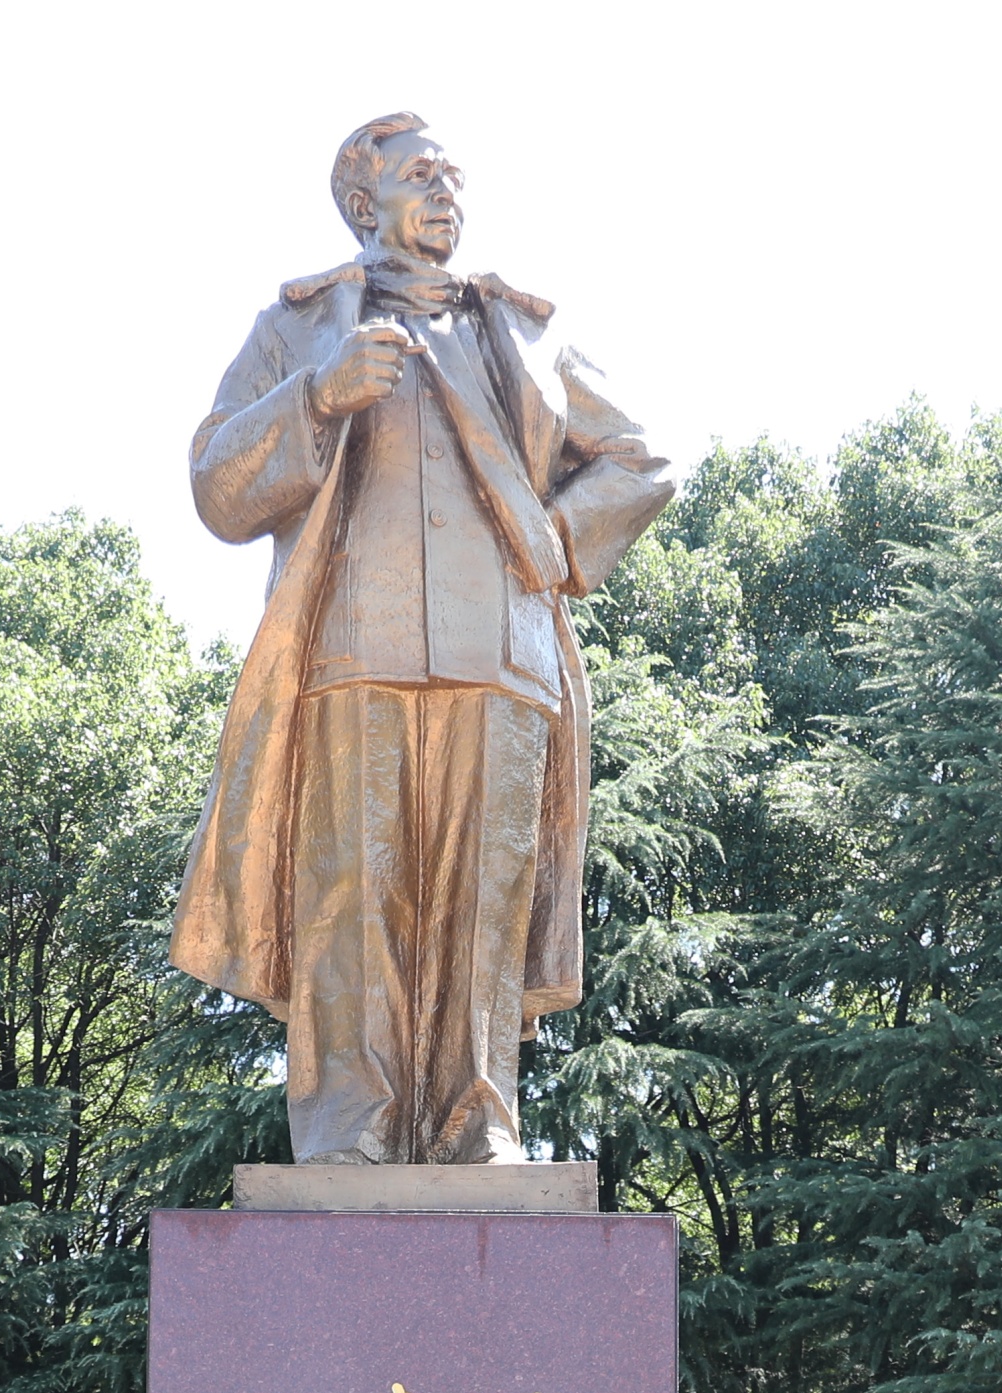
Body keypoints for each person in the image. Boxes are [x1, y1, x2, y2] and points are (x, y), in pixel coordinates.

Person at [171, 113, 674, 1163]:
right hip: (352, 647)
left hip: (504, 658)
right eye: (420, 176)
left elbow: (643, 459)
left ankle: (478, 1124)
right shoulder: (299, 328)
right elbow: (218, 483)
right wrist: (317, 397)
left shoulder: (522, 332)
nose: (446, 192)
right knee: (352, 895)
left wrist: (557, 539)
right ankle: (350, 1127)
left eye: (453, 175)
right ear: (364, 205)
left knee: (485, 902)